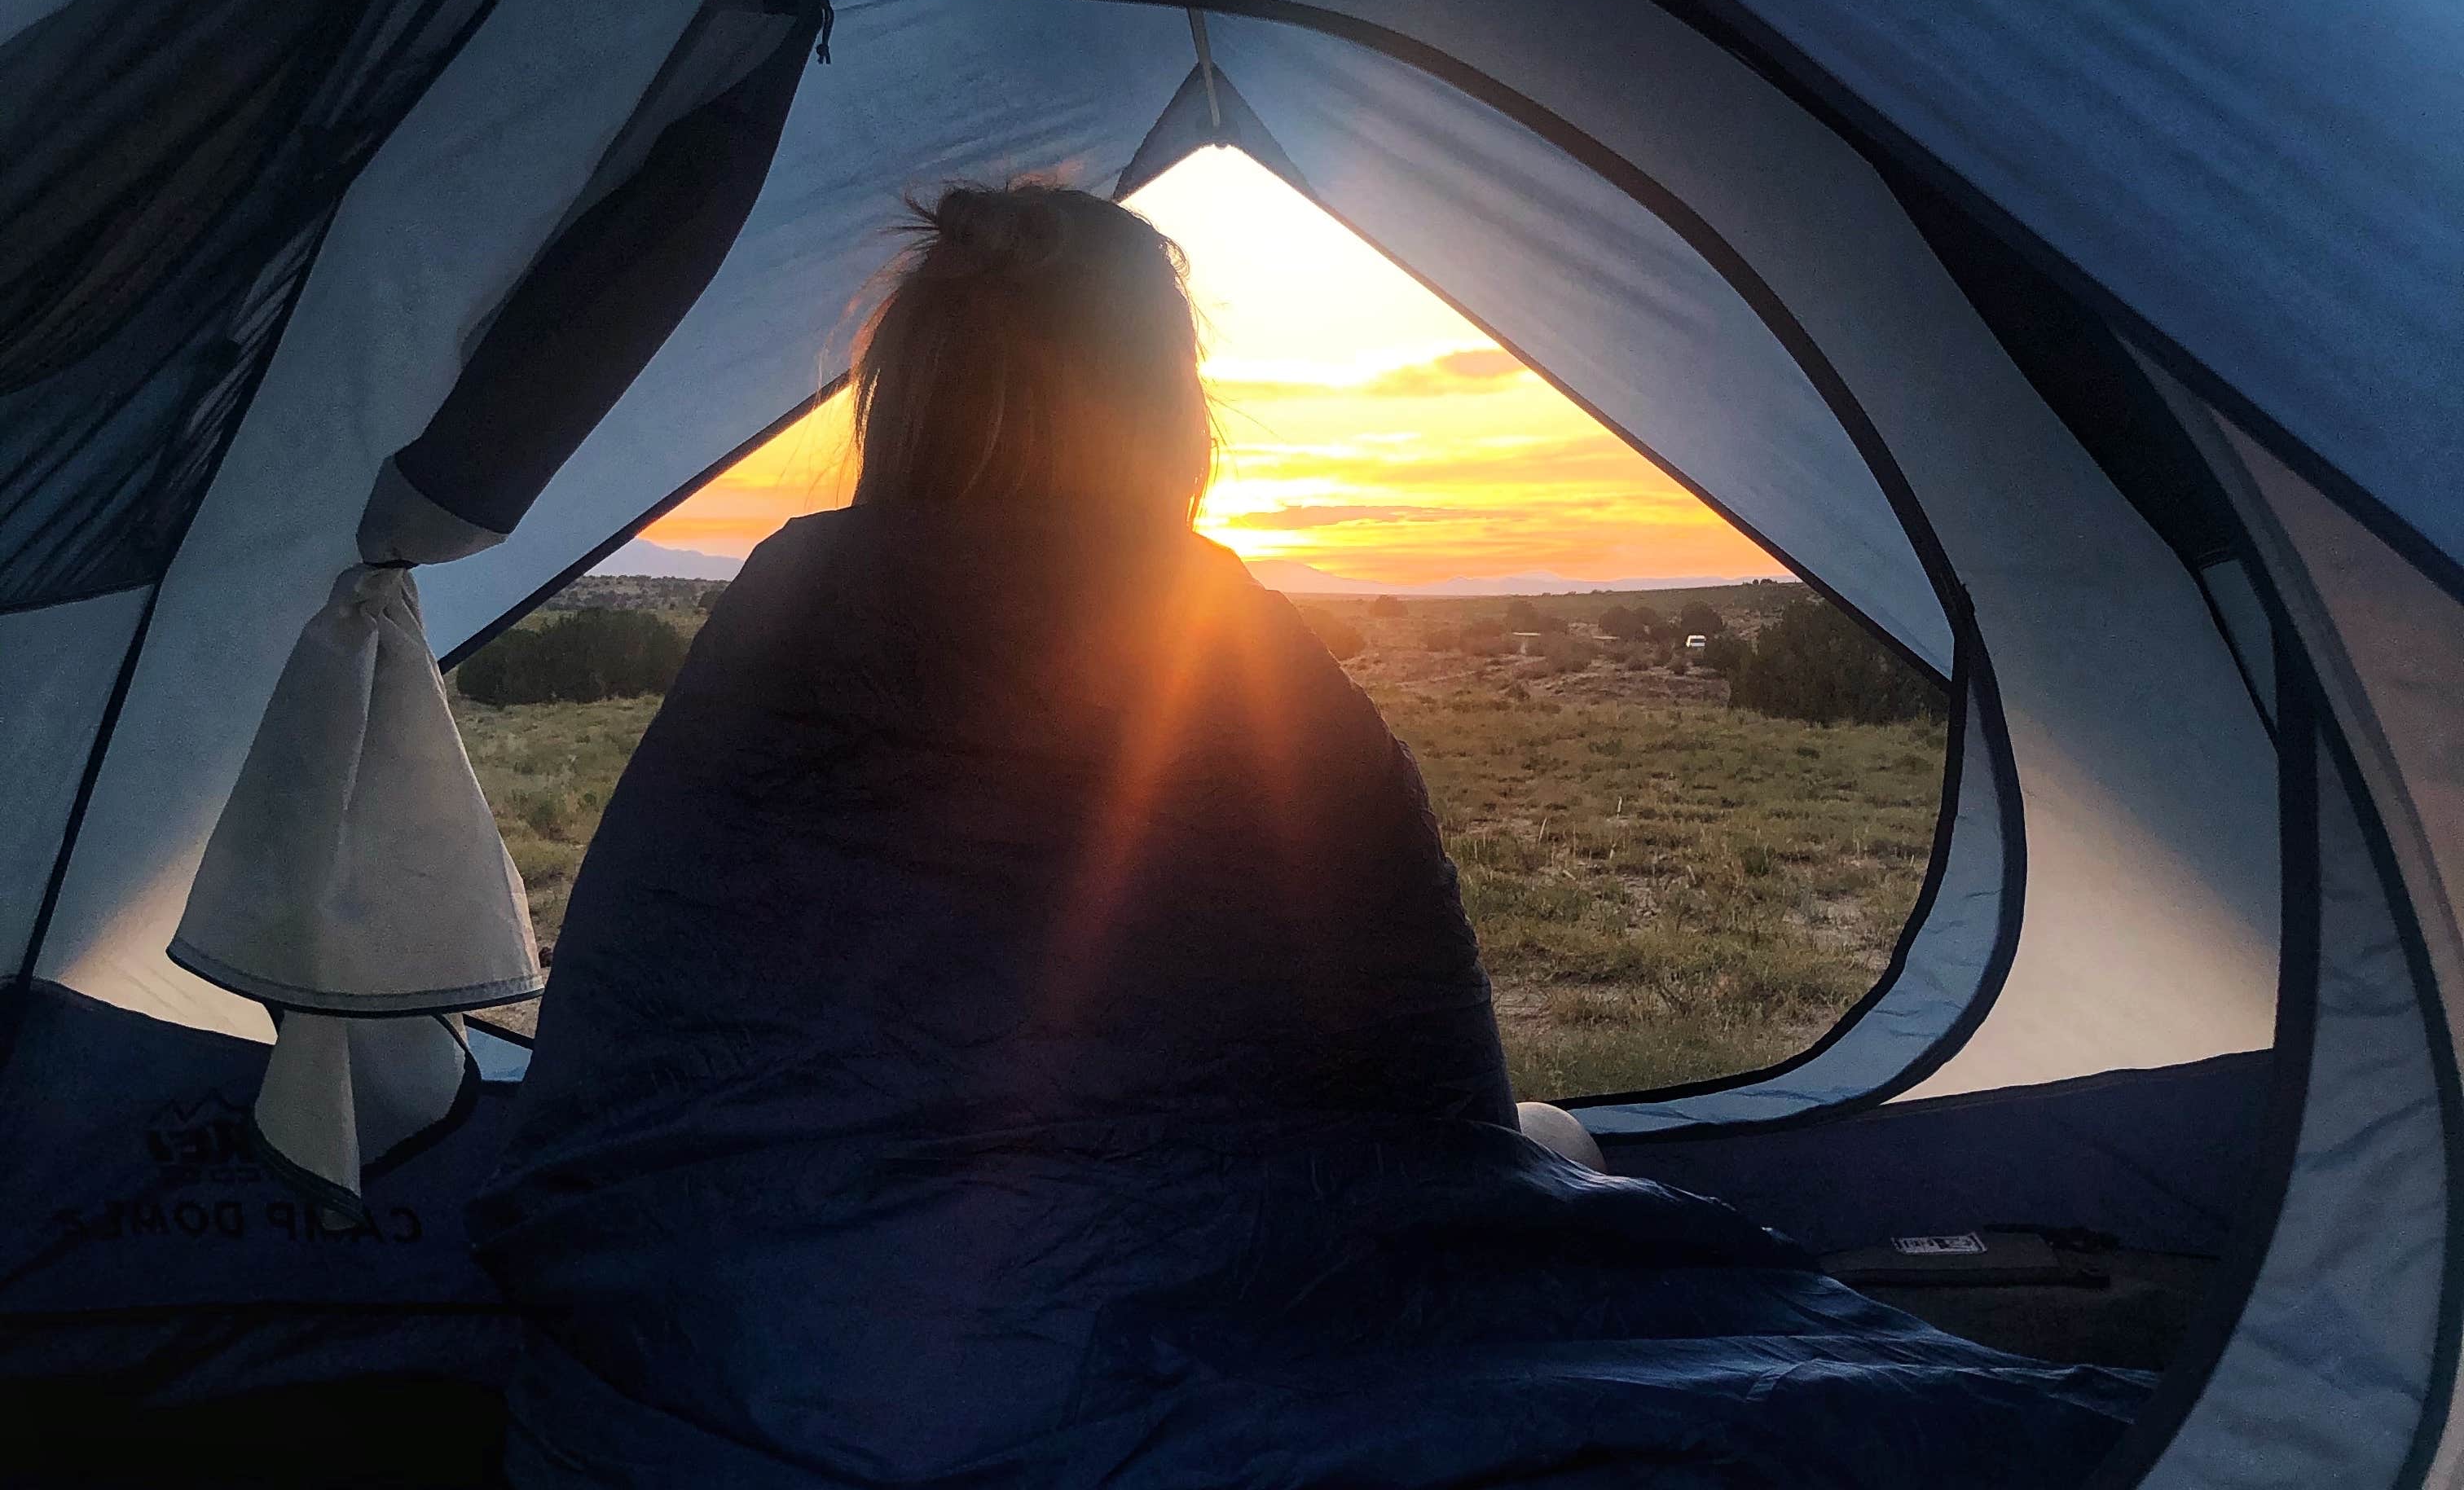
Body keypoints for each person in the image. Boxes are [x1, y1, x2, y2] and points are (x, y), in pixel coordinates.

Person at [471, 180, 2146, 1489]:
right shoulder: (1233, 666)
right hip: (1176, 1374)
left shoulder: (761, 649)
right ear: (1168, 412)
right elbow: (1437, 1113)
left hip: (675, 1394)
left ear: (902, 400)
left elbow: (638, 1082)